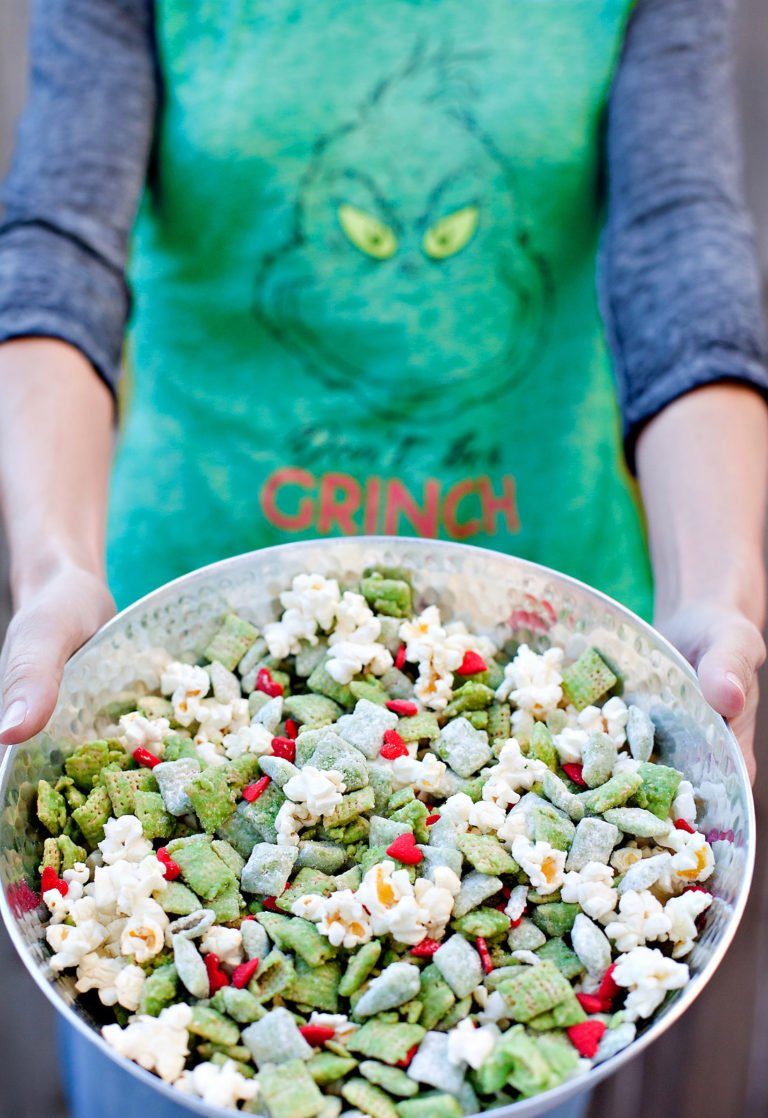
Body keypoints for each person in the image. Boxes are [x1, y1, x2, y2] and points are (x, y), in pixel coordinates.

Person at [0, 1, 766, 1116]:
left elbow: (681, 246)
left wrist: (716, 590)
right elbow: (58, 241)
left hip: (542, 649)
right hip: (178, 633)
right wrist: (52, 566)